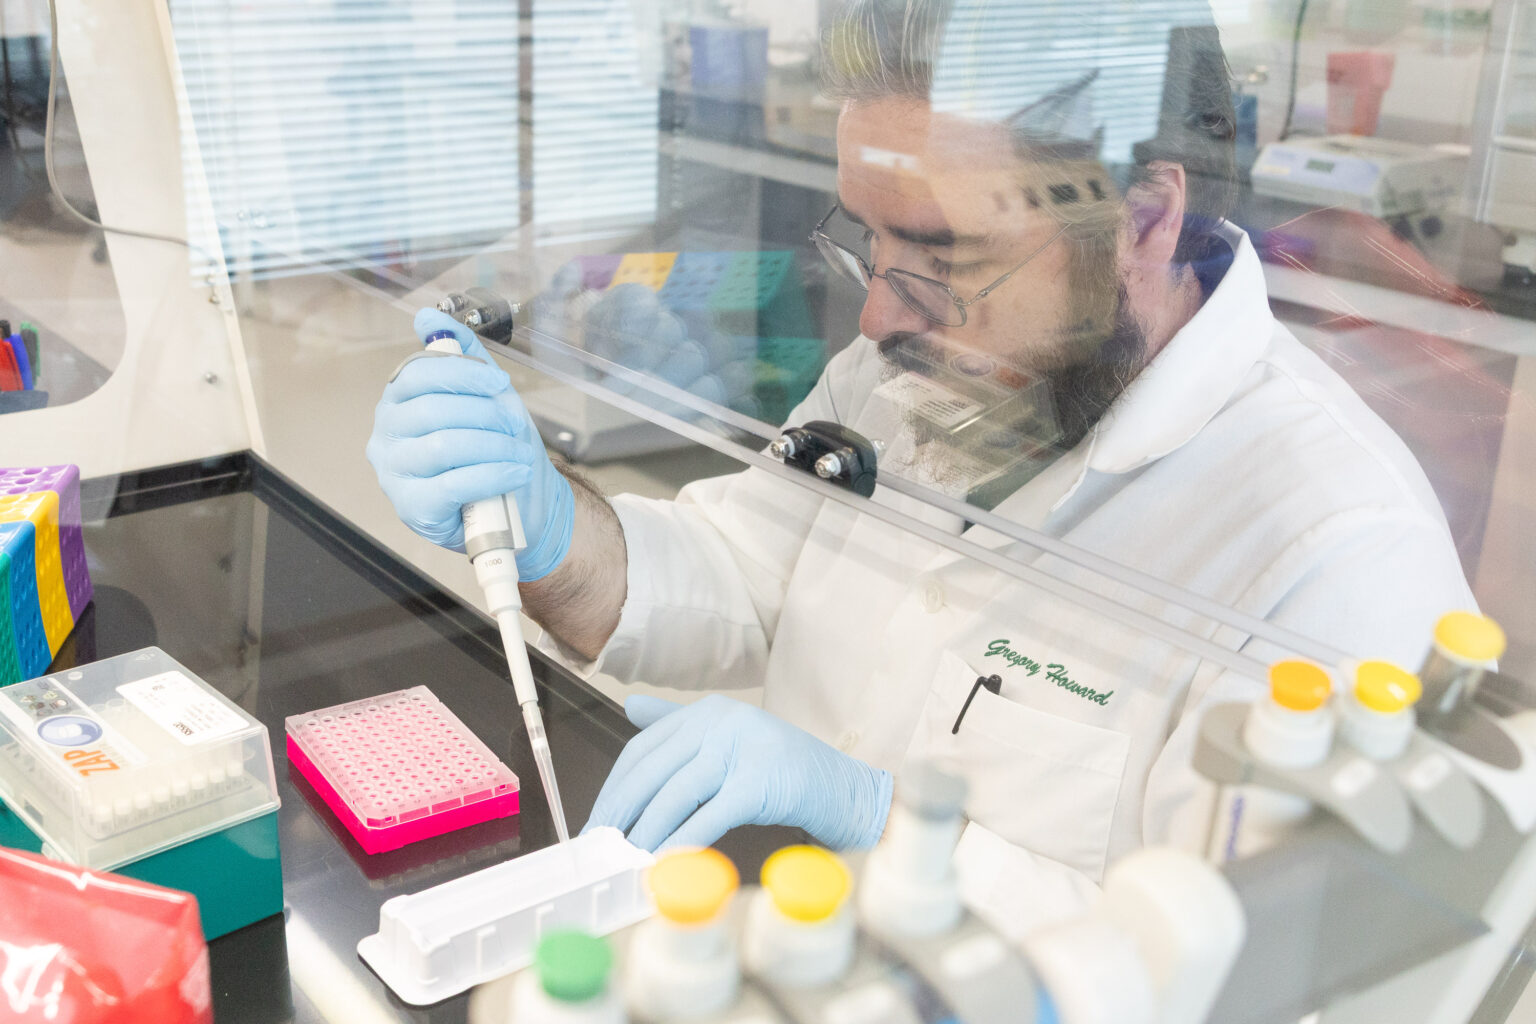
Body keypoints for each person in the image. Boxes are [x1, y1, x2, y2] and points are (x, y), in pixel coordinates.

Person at [368, 0, 1474, 935]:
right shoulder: (908, 365)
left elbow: (1234, 976)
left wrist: (872, 817)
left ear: (1144, 219)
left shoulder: (1339, 553)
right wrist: (552, 522)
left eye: (946, 258)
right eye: (870, 241)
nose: (877, 312)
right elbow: (741, 574)